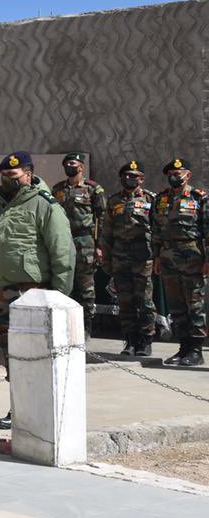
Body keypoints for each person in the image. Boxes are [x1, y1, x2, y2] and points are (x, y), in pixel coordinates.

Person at [0, 151, 74, 429]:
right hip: (0, 293)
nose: (9, 180)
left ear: (28, 174)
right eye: (5, 176)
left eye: (14, 175)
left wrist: (59, 297)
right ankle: (19, 409)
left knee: (38, 355)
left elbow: (62, 252)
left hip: (33, 293)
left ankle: (44, 413)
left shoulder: (45, 204)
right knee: (10, 355)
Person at [153, 157, 208, 367]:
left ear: (188, 175)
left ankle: (196, 350)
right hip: (167, 256)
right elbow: (156, 231)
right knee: (176, 306)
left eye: (178, 174)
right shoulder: (161, 199)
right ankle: (183, 347)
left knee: (194, 304)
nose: (174, 177)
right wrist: (157, 256)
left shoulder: (199, 198)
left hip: (191, 256)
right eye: (171, 175)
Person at [99, 160, 157, 357]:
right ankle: (130, 341)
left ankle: (146, 341)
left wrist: (157, 257)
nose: (128, 179)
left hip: (143, 258)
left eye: (133, 176)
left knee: (145, 301)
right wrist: (106, 258)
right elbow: (106, 233)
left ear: (141, 179)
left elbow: (158, 231)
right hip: (120, 258)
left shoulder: (152, 199)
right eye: (125, 175)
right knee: (125, 302)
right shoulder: (114, 201)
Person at [51, 153, 106, 338]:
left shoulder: (93, 189)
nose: (69, 166)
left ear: (81, 167)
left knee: (85, 286)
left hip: (85, 241)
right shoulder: (58, 189)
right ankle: (68, 325)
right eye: (66, 164)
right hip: (64, 240)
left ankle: (86, 326)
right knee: (66, 282)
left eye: (72, 163)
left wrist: (99, 245)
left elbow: (101, 218)